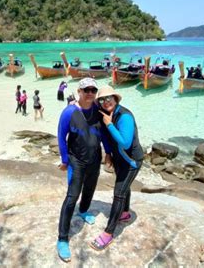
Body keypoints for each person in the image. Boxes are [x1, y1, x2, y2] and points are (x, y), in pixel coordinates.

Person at [56, 78, 112, 262]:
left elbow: (103, 133)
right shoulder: (69, 112)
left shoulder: (97, 110)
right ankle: (62, 239)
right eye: (86, 90)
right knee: (72, 196)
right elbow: (61, 135)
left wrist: (108, 153)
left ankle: (84, 210)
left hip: (94, 159)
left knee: (90, 188)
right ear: (79, 91)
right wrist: (65, 160)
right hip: (76, 160)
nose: (89, 93)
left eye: (92, 90)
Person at [89, 85, 144, 251]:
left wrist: (109, 124)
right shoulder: (106, 114)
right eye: (102, 100)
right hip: (119, 159)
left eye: (109, 98)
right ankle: (125, 213)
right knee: (124, 187)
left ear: (116, 98)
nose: (106, 102)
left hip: (132, 161)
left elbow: (125, 142)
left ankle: (108, 233)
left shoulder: (124, 116)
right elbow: (106, 136)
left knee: (119, 192)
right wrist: (108, 154)